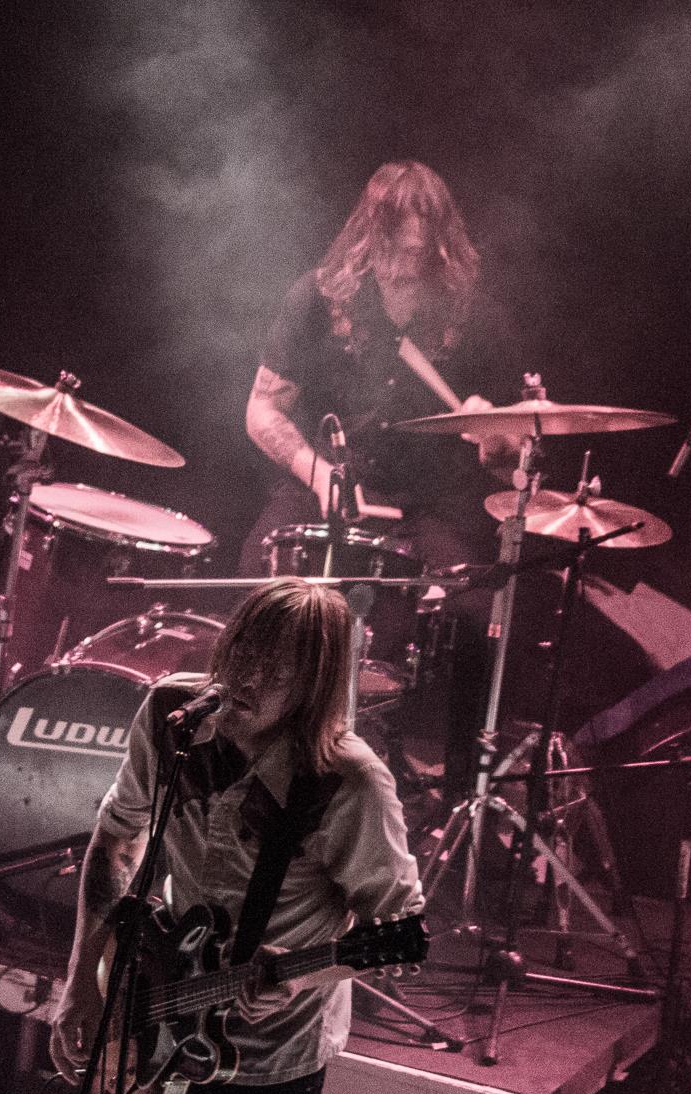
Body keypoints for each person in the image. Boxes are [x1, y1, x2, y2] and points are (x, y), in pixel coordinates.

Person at [51, 578, 425, 1094]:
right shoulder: (172, 715)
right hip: (152, 1022)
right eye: (243, 650)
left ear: (314, 681)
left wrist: (308, 973)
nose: (247, 676)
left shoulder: (348, 782)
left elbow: (406, 930)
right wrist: (83, 983)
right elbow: (116, 839)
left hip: (272, 1060)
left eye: (275, 667)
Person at [241, 160, 522, 792]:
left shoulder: (472, 316)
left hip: (420, 505)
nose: (401, 266)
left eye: (418, 252)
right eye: (393, 246)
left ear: (441, 245)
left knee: (479, 612)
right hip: (325, 484)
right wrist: (316, 472)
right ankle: (252, 756)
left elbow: (510, 453)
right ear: (369, 234)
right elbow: (262, 409)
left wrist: (494, 438)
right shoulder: (317, 298)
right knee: (261, 571)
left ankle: (457, 792)